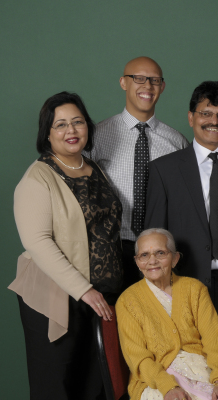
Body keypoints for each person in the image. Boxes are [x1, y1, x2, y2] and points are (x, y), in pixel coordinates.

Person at [144, 81, 218, 374]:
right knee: (194, 371)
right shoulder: (164, 169)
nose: (214, 121)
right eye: (206, 113)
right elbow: (154, 238)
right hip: (185, 286)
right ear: (191, 117)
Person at [9, 91, 123, 400]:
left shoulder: (94, 168)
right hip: (56, 296)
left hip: (100, 298)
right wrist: (84, 290)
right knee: (57, 386)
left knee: (95, 386)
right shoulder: (37, 178)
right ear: (47, 133)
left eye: (78, 122)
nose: (71, 130)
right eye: (60, 124)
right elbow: (37, 242)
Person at [116, 228, 218, 400]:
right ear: (137, 262)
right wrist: (168, 387)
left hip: (204, 368)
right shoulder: (127, 301)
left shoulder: (195, 289)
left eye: (160, 253)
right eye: (144, 255)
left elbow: (214, 340)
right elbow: (138, 358)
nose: (152, 261)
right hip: (156, 378)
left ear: (175, 258)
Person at [85, 56, 189, 289]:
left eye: (154, 80)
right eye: (139, 78)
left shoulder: (177, 142)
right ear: (123, 82)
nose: (147, 86)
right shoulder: (98, 136)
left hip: (158, 254)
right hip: (110, 247)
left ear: (162, 86)